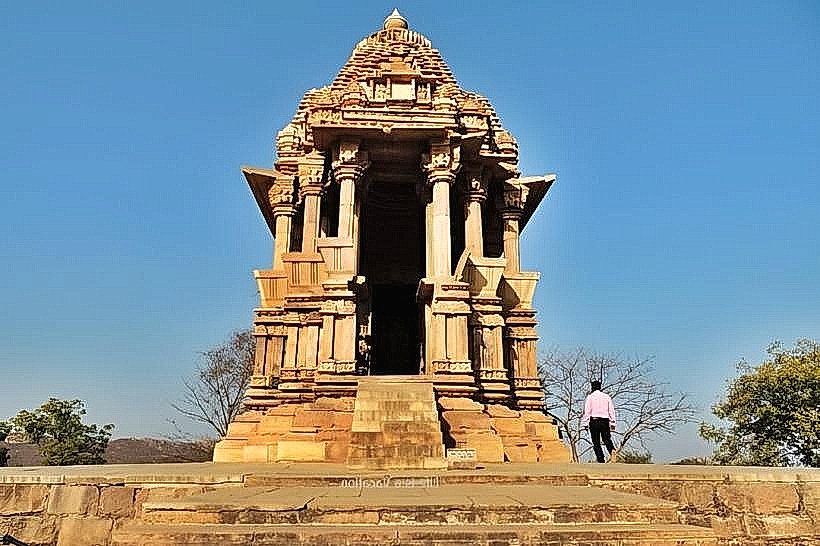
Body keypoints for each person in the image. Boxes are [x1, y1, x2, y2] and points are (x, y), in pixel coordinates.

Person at [582, 380, 617, 463]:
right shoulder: (607, 397)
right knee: (607, 439)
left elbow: (587, 411)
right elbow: (611, 410)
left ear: (592, 387)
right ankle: (612, 450)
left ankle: (601, 459)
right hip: (605, 420)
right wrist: (612, 422)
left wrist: (585, 423)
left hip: (594, 421)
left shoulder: (590, 397)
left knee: (596, 441)